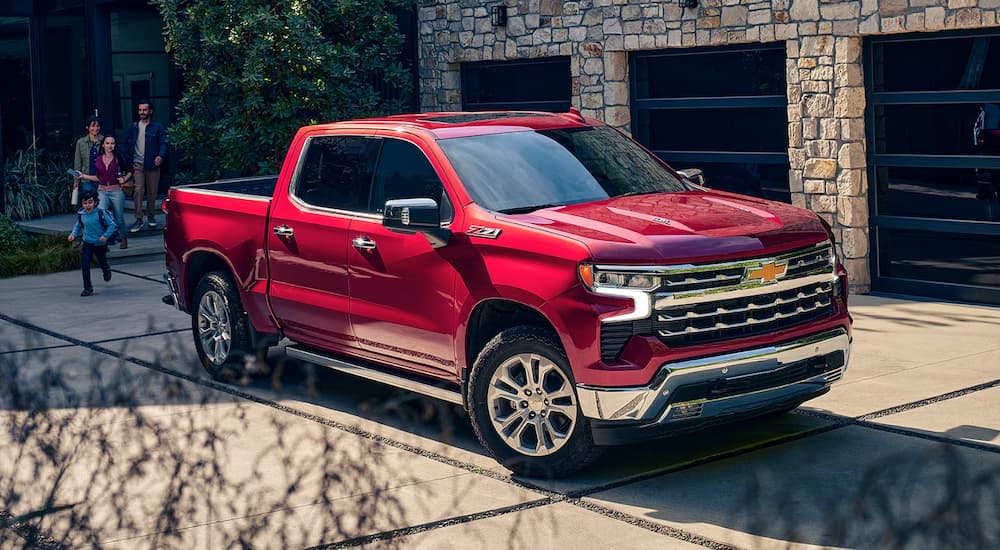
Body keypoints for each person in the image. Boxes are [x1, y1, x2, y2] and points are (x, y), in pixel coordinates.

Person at [77, 136, 132, 249]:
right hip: (102, 190)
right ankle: (103, 240)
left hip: (116, 190)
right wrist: (83, 176)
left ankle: (123, 237)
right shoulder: (98, 160)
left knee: (119, 217)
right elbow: (98, 177)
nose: (110, 146)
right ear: (103, 145)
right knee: (100, 215)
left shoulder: (119, 157)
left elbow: (131, 170)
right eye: (107, 143)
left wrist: (125, 179)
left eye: (112, 143)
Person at [122, 100, 168, 233]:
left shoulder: (157, 127)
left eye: (144, 110)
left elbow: (164, 143)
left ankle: (151, 215)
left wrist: (160, 156)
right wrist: (127, 160)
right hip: (137, 164)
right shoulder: (133, 127)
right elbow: (124, 143)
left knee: (152, 192)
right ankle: (138, 219)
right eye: (140, 110)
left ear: (150, 111)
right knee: (138, 190)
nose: (142, 112)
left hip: (152, 164)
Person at [68, 189, 117, 296]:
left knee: (102, 260)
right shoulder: (82, 214)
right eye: (85, 203)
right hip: (87, 243)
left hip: (100, 244)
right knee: (85, 265)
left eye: (90, 202)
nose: (87, 205)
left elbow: (112, 225)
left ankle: (106, 270)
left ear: (95, 202)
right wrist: (73, 235)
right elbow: (78, 226)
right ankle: (87, 288)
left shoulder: (101, 213)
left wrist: (105, 236)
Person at [72, 115, 103, 206]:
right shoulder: (81, 142)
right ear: (87, 127)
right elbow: (77, 163)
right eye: (93, 126)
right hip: (86, 179)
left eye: (97, 126)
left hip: (101, 179)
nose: (95, 128)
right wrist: (76, 181)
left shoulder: (104, 140)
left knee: (101, 205)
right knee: (89, 203)